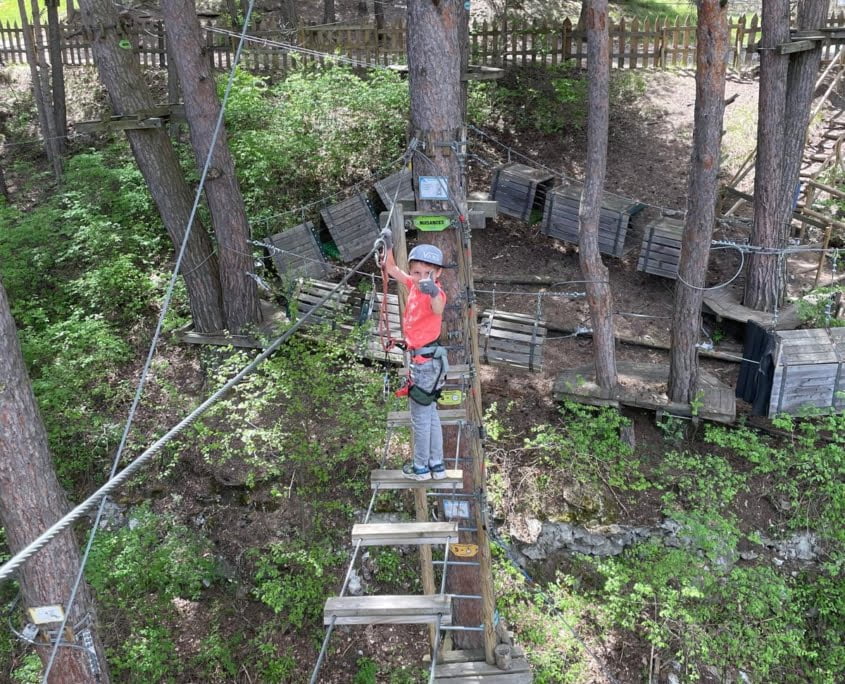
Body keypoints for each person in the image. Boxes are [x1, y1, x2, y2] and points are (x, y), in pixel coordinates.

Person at [379, 228, 449, 480]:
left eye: (427, 273)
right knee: (429, 413)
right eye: (417, 272)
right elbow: (391, 270)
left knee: (420, 417)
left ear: (438, 273)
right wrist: (387, 244)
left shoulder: (436, 293)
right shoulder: (413, 284)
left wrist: (432, 291)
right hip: (427, 361)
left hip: (426, 364)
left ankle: (421, 468)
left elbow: (438, 308)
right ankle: (436, 464)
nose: (421, 278)